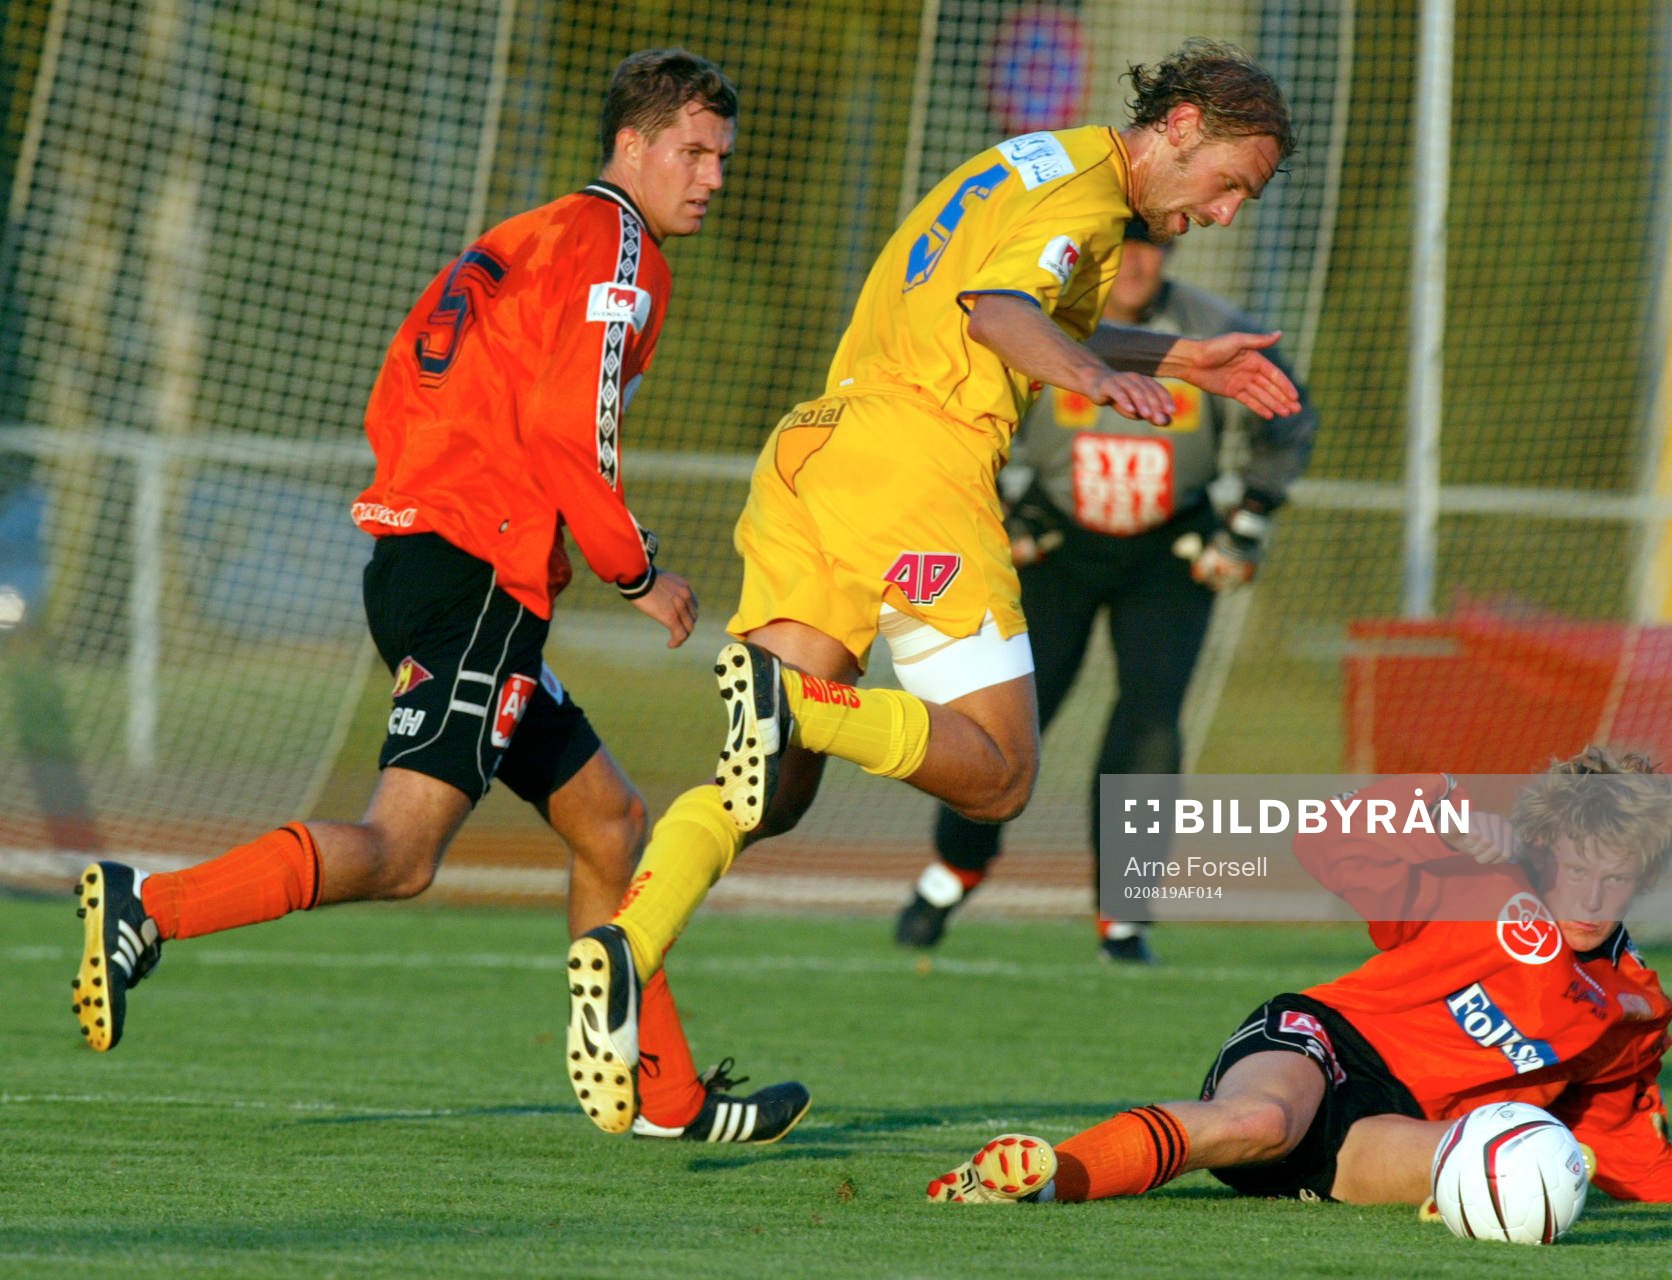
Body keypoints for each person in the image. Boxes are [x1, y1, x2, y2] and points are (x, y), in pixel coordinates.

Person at [70, 49, 809, 1146]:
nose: (710, 176)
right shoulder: (622, 250)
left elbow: (412, 380)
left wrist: (459, 504)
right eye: (693, 152)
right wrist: (638, 573)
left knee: (610, 821)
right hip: (479, 576)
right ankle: (148, 905)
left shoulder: (524, 234)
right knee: (403, 851)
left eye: (721, 158)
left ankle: (662, 1091)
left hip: (423, 555)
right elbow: (571, 430)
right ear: (632, 146)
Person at [565, 39, 1302, 1134]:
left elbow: (1020, 295)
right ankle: (799, 704)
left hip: (817, 450)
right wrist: (1093, 379)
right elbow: (997, 314)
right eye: (1232, 180)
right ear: (1183, 126)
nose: (1228, 211)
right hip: (919, 464)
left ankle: (625, 940)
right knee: (1000, 774)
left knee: (769, 788)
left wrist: (1177, 357)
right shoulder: (1093, 203)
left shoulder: (1037, 160)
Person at [926, 748, 1672, 1209]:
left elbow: (1619, 1126)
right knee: (1260, 1120)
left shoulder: (1633, 1000)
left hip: (1392, 1125)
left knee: (1489, 1169)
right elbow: (1324, 840)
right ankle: (1040, 1178)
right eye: (1577, 869)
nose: (1592, 896)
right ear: (1546, 845)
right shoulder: (1482, 883)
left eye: (1618, 879)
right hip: (1322, 1044)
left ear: (1644, 877)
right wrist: (1438, 809)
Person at [893, 217, 1319, 963]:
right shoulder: (1046, 323)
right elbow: (952, 403)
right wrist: (1001, 506)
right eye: (1125, 247)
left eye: (1152, 248)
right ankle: (952, 870)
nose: (1137, 264)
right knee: (1005, 716)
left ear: (1171, 254)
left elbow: (1290, 411)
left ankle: (1122, 916)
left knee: (1149, 727)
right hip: (1054, 543)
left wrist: (1248, 519)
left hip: (1170, 552)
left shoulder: (1209, 330)